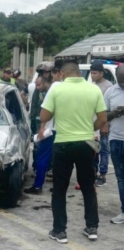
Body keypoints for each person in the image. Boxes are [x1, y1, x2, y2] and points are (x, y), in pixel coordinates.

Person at [41, 60, 107, 243]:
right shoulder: (94, 89)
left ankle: (59, 231)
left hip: (63, 144)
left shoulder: (56, 88)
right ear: (79, 73)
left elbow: (44, 116)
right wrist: (88, 128)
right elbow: (102, 119)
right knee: (88, 187)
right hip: (86, 143)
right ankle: (92, 228)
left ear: (62, 74)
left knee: (60, 189)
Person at [24, 61, 64, 194]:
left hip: (50, 129)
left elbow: (45, 111)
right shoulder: (64, 88)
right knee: (60, 159)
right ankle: (59, 187)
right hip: (63, 130)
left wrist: (42, 127)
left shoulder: (52, 89)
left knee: (42, 157)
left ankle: (37, 186)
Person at [104, 64, 124, 224]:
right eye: (121, 81)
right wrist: (114, 113)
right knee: (120, 178)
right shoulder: (110, 92)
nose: (123, 85)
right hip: (116, 140)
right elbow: (102, 116)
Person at [90, 61, 113, 187]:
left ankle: (102, 175)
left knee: (103, 149)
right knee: (94, 148)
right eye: (91, 73)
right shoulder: (92, 85)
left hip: (104, 123)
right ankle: (93, 172)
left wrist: (105, 124)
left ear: (101, 73)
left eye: (95, 73)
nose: (92, 75)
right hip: (93, 124)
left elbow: (107, 109)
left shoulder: (108, 86)